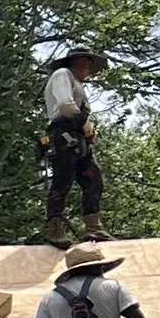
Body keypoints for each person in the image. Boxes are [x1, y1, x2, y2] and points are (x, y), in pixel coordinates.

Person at [38, 46, 106, 247]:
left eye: (89, 63)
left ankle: (93, 228)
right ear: (74, 62)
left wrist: (88, 128)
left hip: (78, 137)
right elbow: (66, 105)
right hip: (63, 134)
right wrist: (83, 121)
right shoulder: (62, 75)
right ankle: (54, 228)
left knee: (93, 179)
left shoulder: (77, 83)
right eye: (84, 62)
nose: (87, 66)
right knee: (62, 180)